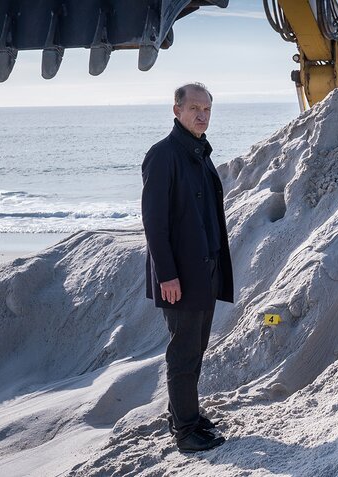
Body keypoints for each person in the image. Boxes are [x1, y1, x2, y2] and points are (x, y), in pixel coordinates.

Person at [141, 82, 234, 453]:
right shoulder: (163, 155)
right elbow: (154, 223)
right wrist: (167, 275)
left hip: (204, 272)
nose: (201, 115)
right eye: (194, 108)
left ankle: (184, 414)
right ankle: (185, 432)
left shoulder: (199, 152)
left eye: (207, 109)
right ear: (176, 110)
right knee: (183, 354)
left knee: (195, 350)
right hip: (178, 277)